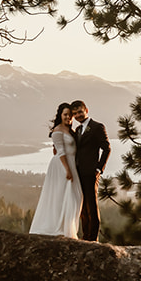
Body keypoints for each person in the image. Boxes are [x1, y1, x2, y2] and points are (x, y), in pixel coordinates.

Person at [28, 102, 83, 238]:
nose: (68, 118)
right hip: (62, 166)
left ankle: (68, 227)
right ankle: (60, 228)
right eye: (65, 115)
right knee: (65, 196)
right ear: (60, 115)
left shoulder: (70, 130)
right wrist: (68, 170)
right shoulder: (57, 131)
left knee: (76, 196)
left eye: (70, 115)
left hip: (71, 164)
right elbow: (61, 152)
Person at [68, 99, 111, 241]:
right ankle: (85, 235)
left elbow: (107, 148)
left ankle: (93, 238)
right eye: (75, 114)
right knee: (82, 206)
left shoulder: (97, 127)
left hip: (91, 172)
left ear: (86, 110)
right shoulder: (78, 130)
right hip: (78, 172)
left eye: (80, 112)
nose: (78, 115)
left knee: (91, 205)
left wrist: (99, 168)